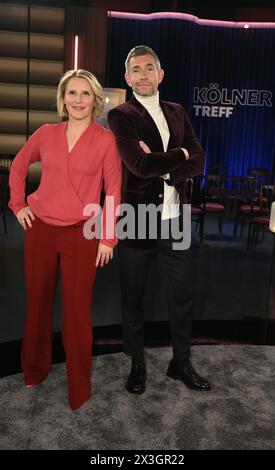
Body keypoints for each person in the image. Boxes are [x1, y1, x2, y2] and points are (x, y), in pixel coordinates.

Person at [9, 69, 122, 410]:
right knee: (39, 304)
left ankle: (79, 386)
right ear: (63, 99)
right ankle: (34, 370)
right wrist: (18, 204)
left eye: (84, 94)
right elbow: (18, 166)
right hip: (41, 229)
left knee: (76, 313)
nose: (77, 99)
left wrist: (108, 238)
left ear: (95, 100)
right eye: (71, 93)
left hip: (83, 235)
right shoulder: (46, 133)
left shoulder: (105, 141)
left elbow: (114, 191)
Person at [108, 45, 210, 394]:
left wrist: (167, 167)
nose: (143, 75)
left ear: (160, 74)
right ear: (127, 78)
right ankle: (137, 363)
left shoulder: (178, 111)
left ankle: (180, 363)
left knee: (182, 294)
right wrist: (178, 156)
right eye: (136, 70)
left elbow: (198, 159)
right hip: (137, 217)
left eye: (149, 68)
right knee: (133, 296)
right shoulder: (121, 116)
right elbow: (138, 165)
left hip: (175, 218)